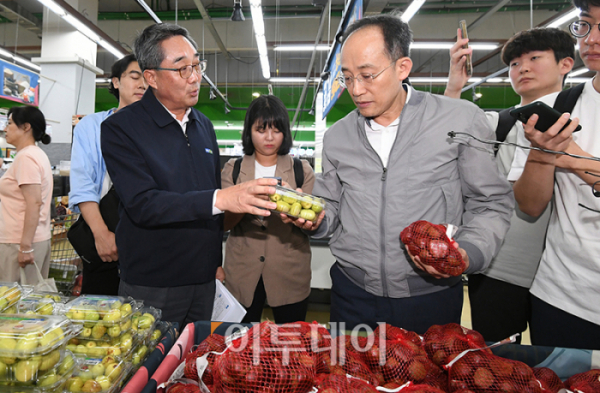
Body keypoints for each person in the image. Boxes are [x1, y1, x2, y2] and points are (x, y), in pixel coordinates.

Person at [288, 13, 514, 334]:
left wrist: (469, 253)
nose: (356, 89)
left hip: (430, 295)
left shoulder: (459, 121)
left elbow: (490, 204)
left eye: (367, 75)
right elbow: (333, 209)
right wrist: (314, 218)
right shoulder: (338, 137)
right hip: (353, 295)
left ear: (402, 68)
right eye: (347, 77)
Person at [101, 23, 278, 328]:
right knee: (150, 369)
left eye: (197, 65)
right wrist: (223, 198)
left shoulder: (203, 126)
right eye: (182, 69)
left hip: (204, 280)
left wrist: (215, 265)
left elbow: (207, 204)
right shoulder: (121, 129)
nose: (195, 77)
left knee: (196, 363)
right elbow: (144, 204)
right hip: (153, 283)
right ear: (151, 77)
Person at [444, 28, 575, 343]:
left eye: (534, 58)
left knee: (561, 366)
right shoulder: (496, 124)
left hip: (564, 277)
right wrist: (454, 86)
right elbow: (444, 135)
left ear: (566, 64)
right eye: (515, 64)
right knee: (495, 364)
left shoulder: (584, 122)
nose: (523, 68)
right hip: (498, 269)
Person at [511, 0, 600, 350]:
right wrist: (543, 155)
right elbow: (530, 205)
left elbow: (573, 160)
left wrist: (573, 157)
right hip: (562, 296)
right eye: (586, 25)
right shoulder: (562, 107)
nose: (591, 39)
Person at [222, 95, 315, 324]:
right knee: (239, 347)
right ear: (249, 132)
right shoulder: (233, 170)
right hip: (242, 274)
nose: (270, 137)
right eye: (261, 129)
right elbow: (223, 224)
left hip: (290, 275)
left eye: (276, 129)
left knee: (292, 348)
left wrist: (296, 209)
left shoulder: (301, 170)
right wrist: (245, 200)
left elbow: (311, 225)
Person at [69, 54, 146, 296]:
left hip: (147, 237)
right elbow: (83, 183)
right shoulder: (91, 127)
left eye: (148, 78)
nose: (142, 84)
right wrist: (100, 233)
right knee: (102, 311)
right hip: (105, 229)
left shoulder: (159, 129)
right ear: (115, 82)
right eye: (135, 77)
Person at [0, 106, 53, 284]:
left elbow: (34, 202)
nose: (5, 129)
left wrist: (25, 246)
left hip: (19, 242)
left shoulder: (26, 158)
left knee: (15, 304)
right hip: (34, 239)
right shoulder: (35, 154)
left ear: (26, 127)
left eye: (9, 124)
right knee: (31, 303)